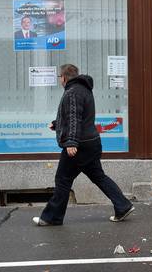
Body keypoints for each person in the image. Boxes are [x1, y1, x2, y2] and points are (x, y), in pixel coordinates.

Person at [32, 64, 134, 226]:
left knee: (63, 179)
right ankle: (123, 205)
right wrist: (57, 124)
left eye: (59, 77)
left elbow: (74, 118)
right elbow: (77, 116)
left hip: (80, 145)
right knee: (98, 176)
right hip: (91, 143)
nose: (59, 80)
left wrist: (71, 142)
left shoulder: (72, 92)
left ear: (64, 78)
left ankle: (51, 217)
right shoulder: (84, 89)